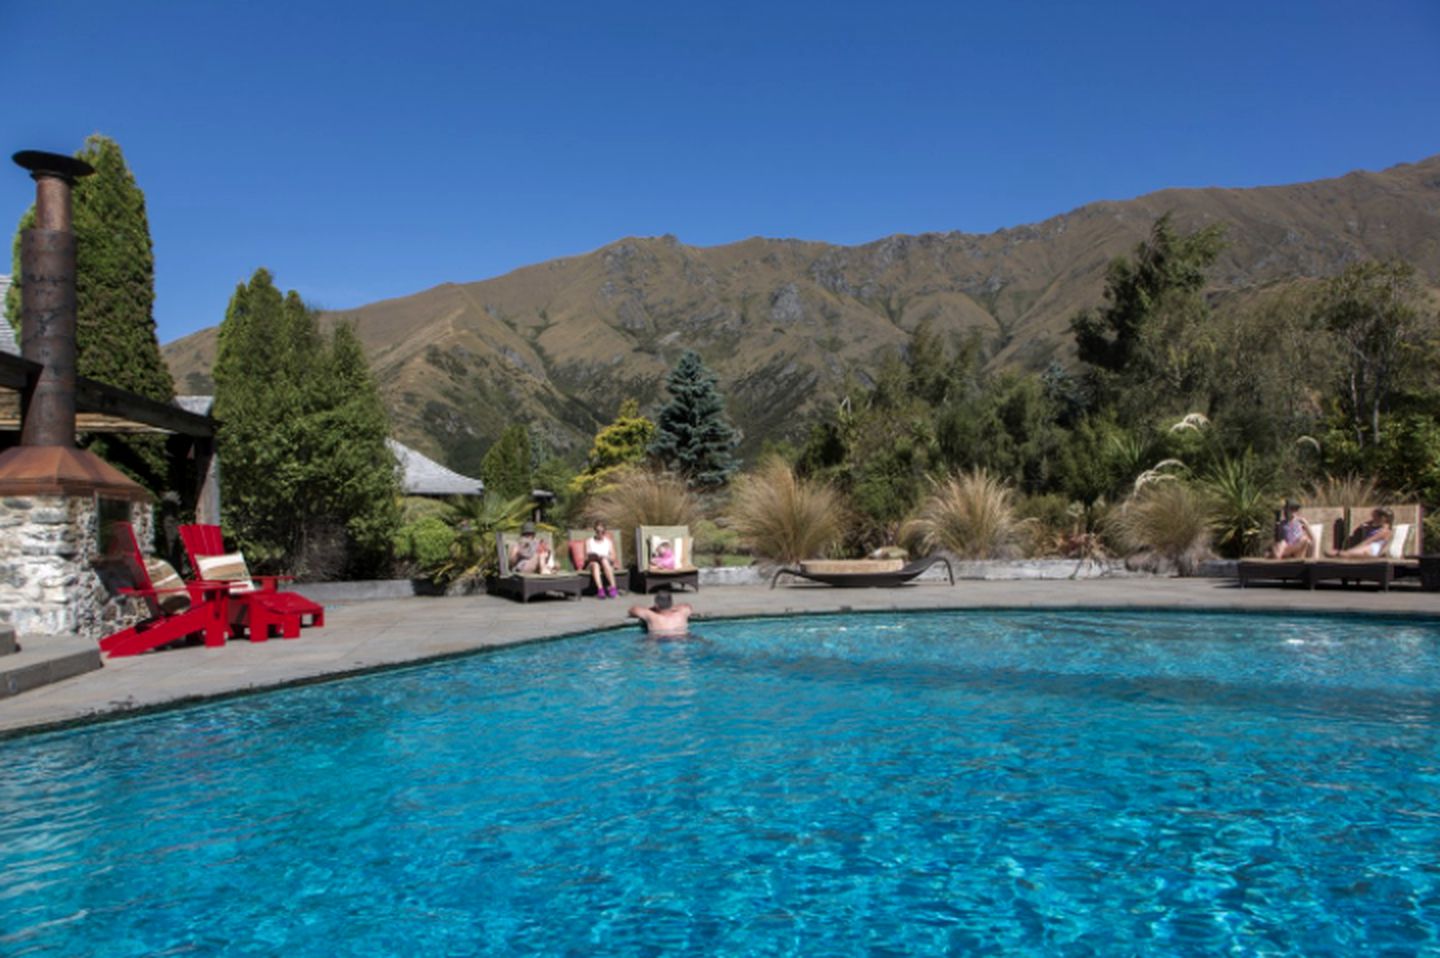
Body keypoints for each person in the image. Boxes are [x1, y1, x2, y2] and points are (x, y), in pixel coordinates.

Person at [1329, 507, 1393, 558]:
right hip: (1369, 547)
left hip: (1374, 548)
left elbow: (1369, 541)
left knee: (1350, 553)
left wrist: (1353, 549)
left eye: (1375, 517)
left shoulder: (1384, 531)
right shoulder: (1374, 527)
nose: (1373, 519)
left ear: (1383, 518)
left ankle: (1339, 553)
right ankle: (1341, 553)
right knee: (1355, 552)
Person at [627, 590, 692, 637]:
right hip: (681, 638)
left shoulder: (651, 616)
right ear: (671, 604)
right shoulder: (682, 613)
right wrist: (673, 608)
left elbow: (632, 610)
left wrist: (652, 609)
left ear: (656, 605)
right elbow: (687, 606)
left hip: (659, 640)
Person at [585, 521, 620, 599]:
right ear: (595, 531)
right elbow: (587, 557)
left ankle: (613, 588)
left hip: (606, 562)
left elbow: (613, 557)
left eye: (602, 532)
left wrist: (605, 557)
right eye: (598, 531)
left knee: (604, 560)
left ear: (604, 532)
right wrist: (594, 557)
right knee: (595, 564)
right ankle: (600, 590)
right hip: (593, 563)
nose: (600, 533)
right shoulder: (589, 541)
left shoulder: (608, 542)